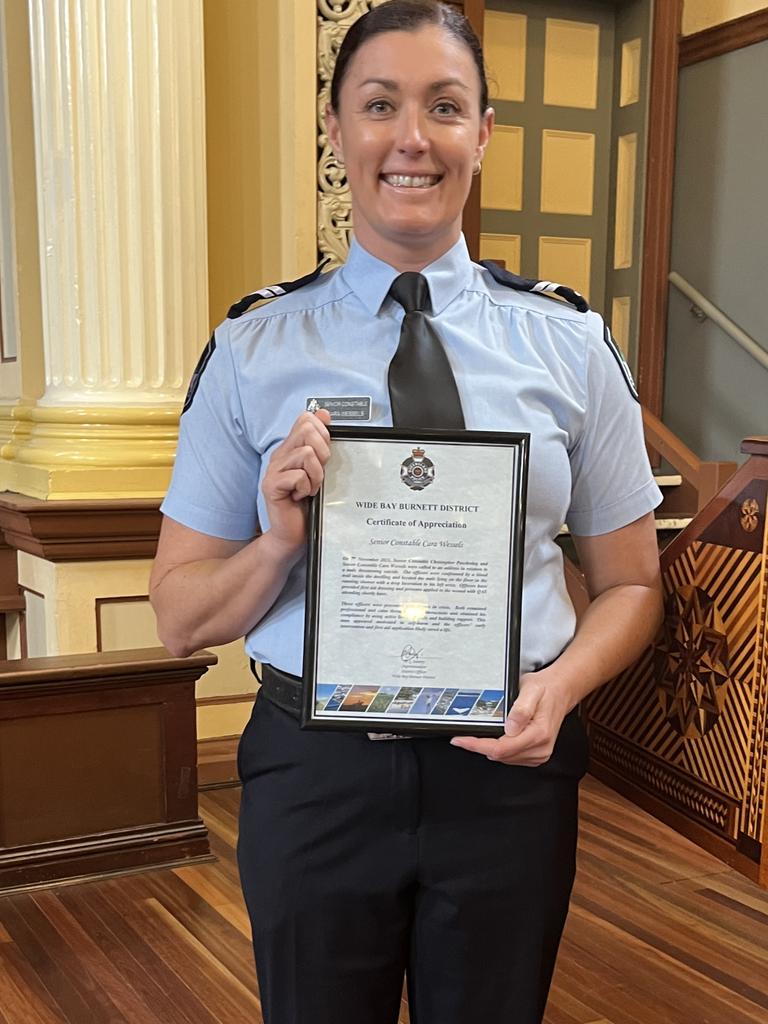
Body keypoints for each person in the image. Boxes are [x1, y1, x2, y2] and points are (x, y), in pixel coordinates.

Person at [150, 2, 663, 1022]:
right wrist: (278, 542)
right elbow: (179, 614)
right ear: (337, 132)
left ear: (483, 132)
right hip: (317, 769)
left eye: (445, 106)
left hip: (509, 774)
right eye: (380, 105)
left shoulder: (569, 346)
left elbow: (635, 583)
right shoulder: (253, 350)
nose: (412, 137)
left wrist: (560, 691)